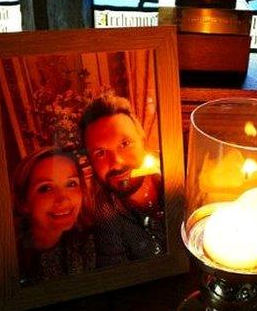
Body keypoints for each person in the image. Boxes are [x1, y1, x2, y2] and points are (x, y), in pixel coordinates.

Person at [79, 94, 166, 267]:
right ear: (90, 161)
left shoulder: (176, 167)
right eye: (100, 153)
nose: (116, 162)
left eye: (125, 143)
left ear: (143, 141)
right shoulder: (105, 216)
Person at [12, 147, 96, 284]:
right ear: (23, 203)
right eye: (46, 188)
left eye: (71, 184)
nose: (63, 199)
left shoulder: (88, 241)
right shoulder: (9, 258)